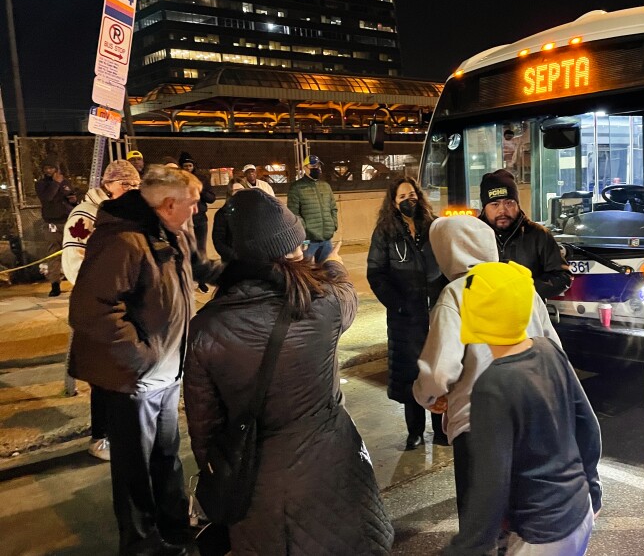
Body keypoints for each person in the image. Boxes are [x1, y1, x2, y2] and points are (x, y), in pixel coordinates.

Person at [184, 189, 394, 555]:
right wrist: (333, 262)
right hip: (337, 474)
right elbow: (346, 291)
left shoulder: (205, 329)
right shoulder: (324, 304)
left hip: (257, 492)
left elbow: (205, 433)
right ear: (290, 250)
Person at [68, 167, 219, 556]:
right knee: (135, 469)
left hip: (166, 373)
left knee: (166, 457)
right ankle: (141, 545)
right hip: (133, 379)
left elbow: (199, 269)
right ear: (169, 204)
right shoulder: (124, 242)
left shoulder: (174, 231)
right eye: (193, 201)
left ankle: (173, 528)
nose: (198, 208)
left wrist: (248, 270)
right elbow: (91, 310)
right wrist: (143, 357)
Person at [445, 261, 602, 556]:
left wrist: (467, 547)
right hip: (578, 512)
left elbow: (490, 484)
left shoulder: (492, 384)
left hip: (539, 534)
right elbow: (588, 425)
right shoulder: (548, 349)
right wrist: (592, 488)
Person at [413, 215, 561, 523]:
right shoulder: (522, 285)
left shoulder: (455, 294)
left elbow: (439, 373)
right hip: (534, 414)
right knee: (526, 514)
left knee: (481, 522)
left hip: (479, 424)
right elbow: (553, 349)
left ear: (446, 251)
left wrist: (428, 398)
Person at [62, 159, 141, 462]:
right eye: (125, 184)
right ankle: (101, 436)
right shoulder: (84, 217)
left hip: (123, 304)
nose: (130, 190)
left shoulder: (128, 213)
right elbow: (74, 263)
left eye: (135, 185)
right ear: (108, 185)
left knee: (122, 370)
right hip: (98, 306)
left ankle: (121, 429)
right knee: (102, 374)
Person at [367, 177, 447, 450]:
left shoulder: (434, 226)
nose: (408, 200)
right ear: (393, 202)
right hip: (405, 317)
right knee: (411, 375)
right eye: (402, 196)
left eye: (412, 194)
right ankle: (415, 431)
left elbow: (448, 263)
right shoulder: (385, 232)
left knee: (437, 373)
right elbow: (376, 273)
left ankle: (440, 430)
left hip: (436, 314)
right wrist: (396, 303)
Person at [478, 169, 572, 299]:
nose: (502, 210)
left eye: (509, 203)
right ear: (484, 208)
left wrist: (524, 289)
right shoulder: (472, 236)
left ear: (517, 204)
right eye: (495, 204)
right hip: (481, 315)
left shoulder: (538, 235)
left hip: (529, 316)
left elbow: (562, 277)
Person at [35, 158, 79, 296]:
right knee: (53, 253)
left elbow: (70, 198)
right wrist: (55, 183)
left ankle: (77, 281)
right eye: (46, 168)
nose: (48, 170)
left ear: (56, 168)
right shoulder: (41, 184)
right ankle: (55, 284)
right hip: (52, 223)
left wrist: (74, 200)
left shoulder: (65, 182)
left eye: (51, 168)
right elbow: (47, 198)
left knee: (74, 251)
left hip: (68, 221)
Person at [286, 155, 338, 263]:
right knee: (306, 270)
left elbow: (333, 208)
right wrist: (305, 230)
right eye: (313, 166)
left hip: (326, 238)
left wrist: (333, 224)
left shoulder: (325, 186)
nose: (317, 168)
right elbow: (293, 213)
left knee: (326, 269)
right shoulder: (296, 187)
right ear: (305, 168)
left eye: (318, 165)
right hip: (309, 240)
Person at [180, 154, 216, 292]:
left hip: (200, 219)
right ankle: (187, 280)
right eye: (185, 166)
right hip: (183, 220)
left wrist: (198, 191)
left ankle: (201, 280)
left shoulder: (201, 179)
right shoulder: (179, 180)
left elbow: (211, 198)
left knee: (201, 251)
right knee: (185, 250)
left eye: (190, 165)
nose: (188, 168)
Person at [211, 177, 246, 263]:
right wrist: (234, 256)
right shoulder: (222, 214)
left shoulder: (254, 210)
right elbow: (218, 241)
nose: (239, 193)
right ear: (230, 193)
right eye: (236, 190)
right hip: (232, 262)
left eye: (242, 189)